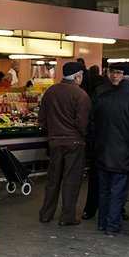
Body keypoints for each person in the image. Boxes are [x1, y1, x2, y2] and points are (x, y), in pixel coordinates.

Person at [88, 63, 129, 236]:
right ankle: (112, 226)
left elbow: (92, 126)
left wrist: (93, 148)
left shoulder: (103, 96)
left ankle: (102, 222)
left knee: (104, 189)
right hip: (123, 154)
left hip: (101, 151)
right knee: (118, 191)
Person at [37, 60, 90, 225]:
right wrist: (85, 136)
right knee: (71, 180)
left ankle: (46, 214)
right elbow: (83, 123)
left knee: (53, 179)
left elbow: (42, 119)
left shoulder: (50, 92)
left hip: (54, 143)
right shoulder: (81, 95)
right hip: (74, 143)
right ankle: (67, 216)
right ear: (77, 77)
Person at [82, 63, 126, 221]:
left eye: (119, 72)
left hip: (118, 143)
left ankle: (117, 210)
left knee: (115, 182)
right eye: (113, 72)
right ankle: (91, 208)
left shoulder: (127, 93)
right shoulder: (100, 91)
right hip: (101, 142)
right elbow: (91, 117)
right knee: (97, 180)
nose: (115, 76)